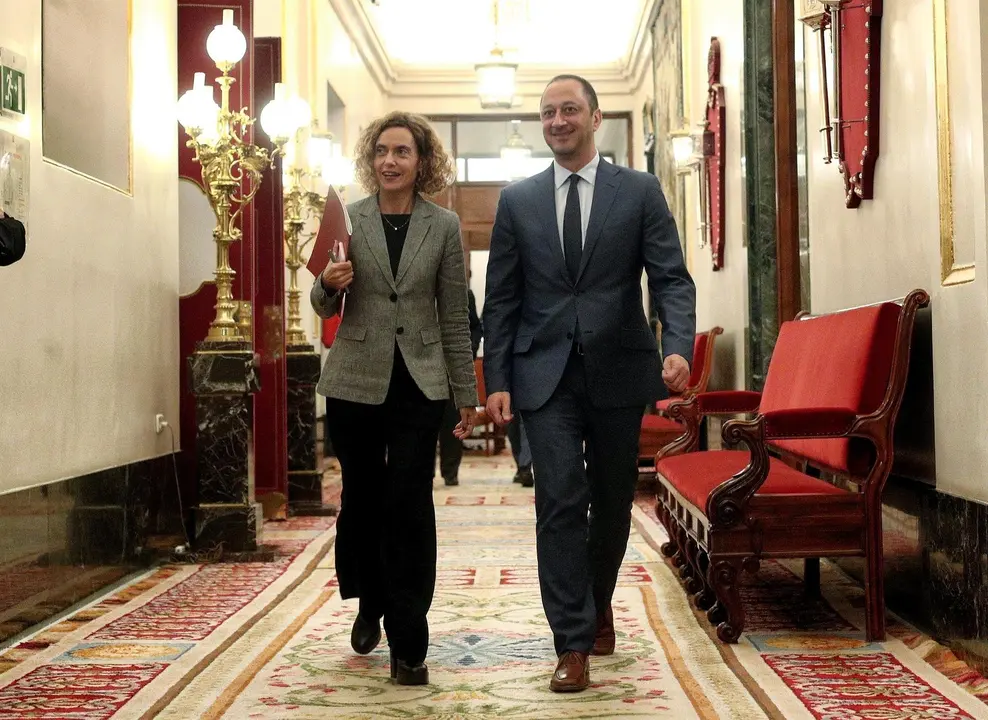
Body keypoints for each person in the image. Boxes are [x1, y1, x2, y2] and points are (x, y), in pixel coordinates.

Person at [483, 75, 696, 693]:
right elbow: (501, 300)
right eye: (547, 112)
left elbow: (671, 278)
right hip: (542, 374)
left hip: (619, 368)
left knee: (612, 502)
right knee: (557, 502)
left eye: (568, 109)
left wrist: (676, 344)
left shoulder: (639, 190)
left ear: (595, 118)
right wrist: (497, 378)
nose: (557, 121)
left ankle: (596, 599)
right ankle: (571, 641)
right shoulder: (517, 201)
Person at [310, 111, 478, 686]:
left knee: (409, 501)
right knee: (362, 499)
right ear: (370, 158)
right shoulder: (347, 218)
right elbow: (322, 299)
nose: (390, 161)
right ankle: (368, 599)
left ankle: (409, 638)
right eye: (381, 150)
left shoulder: (445, 226)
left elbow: (455, 314)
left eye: (402, 151)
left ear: (422, 161)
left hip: (419, 382)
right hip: (355, 380)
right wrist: (326, 286)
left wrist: (466, 395)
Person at [437, 287, 482, 486]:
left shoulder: (464, 293)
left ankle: (450, 471)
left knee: (451, 421)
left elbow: (475, 327)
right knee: (422, 421)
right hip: (422, 364)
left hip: (452, 368)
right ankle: (423, 473)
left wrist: (467, 353)